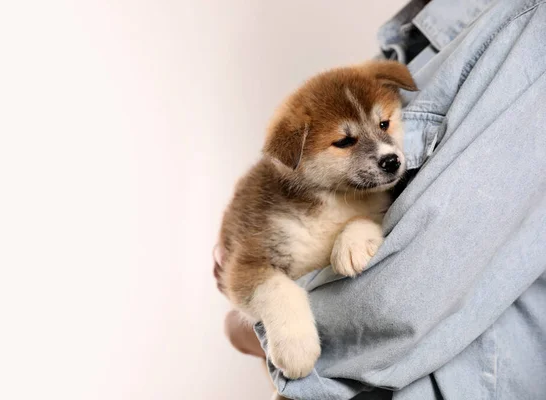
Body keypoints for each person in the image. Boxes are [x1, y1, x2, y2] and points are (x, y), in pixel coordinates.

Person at [214, 0, 546, 398]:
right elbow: (247, 270)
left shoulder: (525, 32)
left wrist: (248, 334)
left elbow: (396, 306)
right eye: (344, 141)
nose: (385, 151)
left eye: (385, 125)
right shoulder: (411, 41)